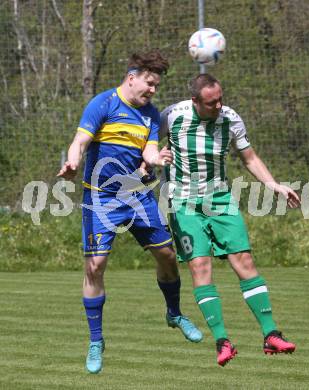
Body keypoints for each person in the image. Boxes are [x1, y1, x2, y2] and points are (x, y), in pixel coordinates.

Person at [57, 50, 202, 374]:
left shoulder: (150, 115)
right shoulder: (104, 104)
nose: (152, 90)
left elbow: (149, 149)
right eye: (149, 84)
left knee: (166, 255)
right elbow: (80, 141)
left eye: (156, 86)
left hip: (137, 195)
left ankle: (174, 313)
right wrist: (72, 162)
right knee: (95, 265)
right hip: (101, 199)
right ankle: (96, 341)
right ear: (132, 77)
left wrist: (155, 159)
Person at [160, 73, 301, 367]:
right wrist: (152, 155)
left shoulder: (230, 118)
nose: (219, 105)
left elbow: (249, 157)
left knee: (245, 261)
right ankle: (222, 341)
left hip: (220, 199)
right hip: (183, 203)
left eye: (221, 99)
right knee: (200, 265)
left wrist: (274, 186)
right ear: (195, 101)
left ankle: (271, 334)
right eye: (212, 103)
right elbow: (145, 141)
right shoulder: (172, 115)